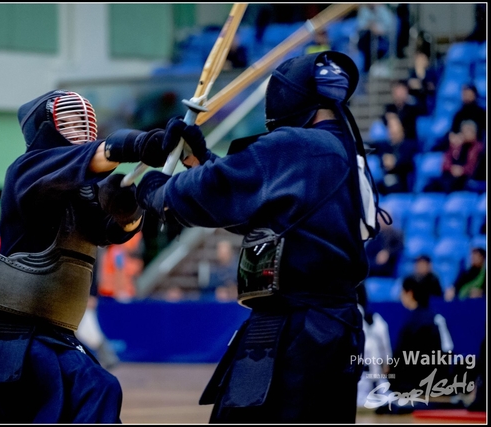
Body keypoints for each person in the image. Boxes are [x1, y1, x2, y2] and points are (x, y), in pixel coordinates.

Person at [136, 50, 386, 423]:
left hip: (296, 331)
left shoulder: (298, 145)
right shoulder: (343, 153)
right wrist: (201, 159)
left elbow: (217, 190)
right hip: (333, 331)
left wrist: (158, 191)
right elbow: (261, 207)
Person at [0, 89, 186, 423]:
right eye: (71, 121)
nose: (83, 128)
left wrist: (129, 211)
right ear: (44, 128)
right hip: (21, 337)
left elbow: (110, 231)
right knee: (95, 389)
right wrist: (139, 144)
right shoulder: (28, 170)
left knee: (98, 390)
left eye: (86, 122)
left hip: (57, 335)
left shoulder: (80, 190)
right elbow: (90, 157)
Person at [378, 268, 454, 413]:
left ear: (410, 293)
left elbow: (400, 361)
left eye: (402, 292)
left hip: (410, 389)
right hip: (435, 387)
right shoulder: (437, 319)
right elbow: (447, 354)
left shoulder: (411, 325)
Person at [355, 282, 393, 408]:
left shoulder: (371, 319)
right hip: (372, 380)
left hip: (365, 380)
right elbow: (387, 358)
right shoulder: (377, 319)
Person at [423, 120, 484, 193]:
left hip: (469, 179)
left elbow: (473, 167)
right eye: (464, 131)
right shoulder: (456, 146)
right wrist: (452, 168)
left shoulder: (478, 148)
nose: (466, 134)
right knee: (431, 186)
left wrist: (462, 170)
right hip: (453, 176)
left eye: (469, 131)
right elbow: (445, 164)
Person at [374, 113, 420, 195]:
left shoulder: (409, 145)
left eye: (394, 125)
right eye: (389, 126)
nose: (391, 129)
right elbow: (382, 162)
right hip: (386, 182)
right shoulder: (385, 147)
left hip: (403, 182)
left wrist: (395, 162)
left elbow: (408, 163)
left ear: (401, 126)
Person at [356, 4, 397, 74]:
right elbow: (360, 25)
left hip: (382, 41)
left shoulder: (383, 10)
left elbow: (389, 26)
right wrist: (370, 27)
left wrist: (379, 29)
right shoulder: (364, 10)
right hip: (366, 42)